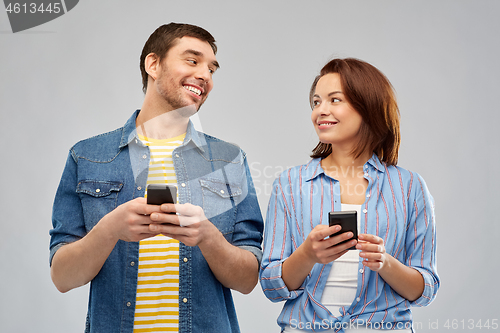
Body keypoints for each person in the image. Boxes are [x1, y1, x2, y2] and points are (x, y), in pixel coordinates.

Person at [49, 23, 263, 333]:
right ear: (153, 64)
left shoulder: (229, 161)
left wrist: (207, 236)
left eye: (211, 69)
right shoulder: (86, 156)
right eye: (192, 60)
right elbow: (62, 278)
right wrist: (110, 229)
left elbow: (247, 280)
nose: (205, 75)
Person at [260, 58, 439, 332]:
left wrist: (385, 263)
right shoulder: (290, 184)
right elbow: (272, 285)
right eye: (316, 102)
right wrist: (307, 254)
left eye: (335, 100)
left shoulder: (409, 187)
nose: (321, 111)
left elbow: (425, 290)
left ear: (367, 106)